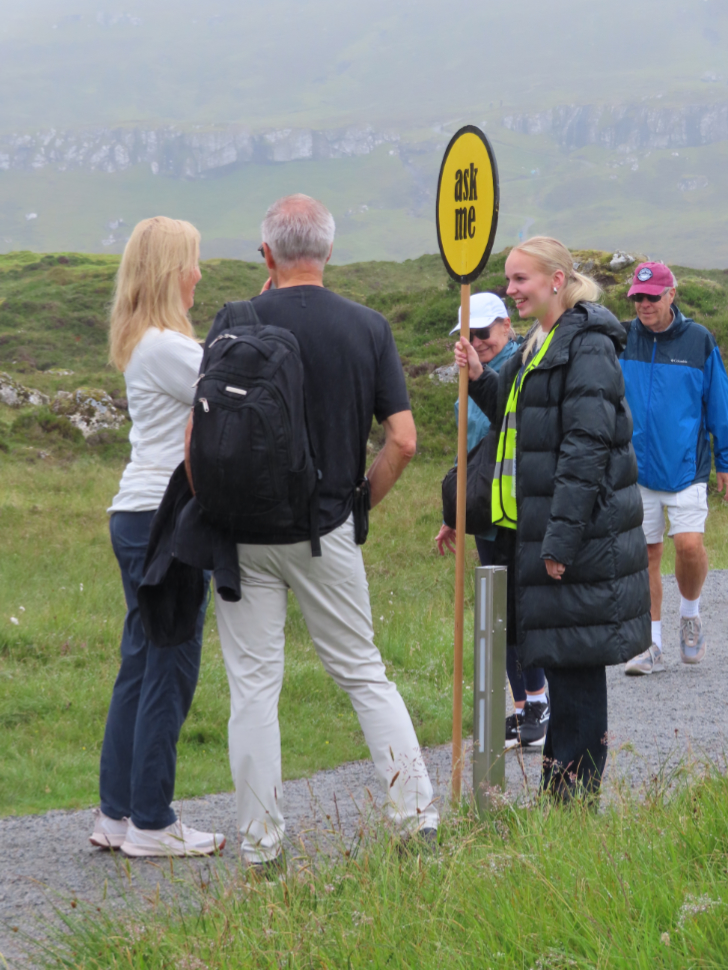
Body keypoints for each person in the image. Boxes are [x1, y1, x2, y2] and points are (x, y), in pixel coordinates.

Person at [199, 194, 438, 871]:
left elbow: (201, 435)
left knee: (253, 690)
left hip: (241, 535)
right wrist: (359, 503)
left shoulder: (235, 321)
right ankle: (414, 817)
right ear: (330, 252)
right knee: (364, 674)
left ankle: (261, 845)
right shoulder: (367, 326)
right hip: (325, 529)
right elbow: (405, 440)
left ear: (266, 254)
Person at [455, 236, 650, 800]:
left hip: (575, 536)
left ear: (557, 281)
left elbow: (585, 449)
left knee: (577, 666)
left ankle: (573, 803)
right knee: (561, 660)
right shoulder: (541, 341)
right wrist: (481, 376)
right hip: (538, 530)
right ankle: (561, 797)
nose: (509, 290)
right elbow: (524, 419)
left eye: (520, 280)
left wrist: (561, 541)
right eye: (509, 280)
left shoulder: (586, 345)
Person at [90, 216, 224, 857]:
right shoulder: (170, 348)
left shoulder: (145, 341)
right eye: (192, 262)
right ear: (174, 272)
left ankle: (116, 813)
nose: (199, 274)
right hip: (166, 518)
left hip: (136, 514)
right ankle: (151, 820)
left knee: (140, 662)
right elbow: (235, 390)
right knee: (170, 664)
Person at [435, 293, 549, 750]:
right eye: (467, 335)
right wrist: (454, 514)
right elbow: (473, 450)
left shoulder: (517, 369)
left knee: (516, 613)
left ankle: (537, 703)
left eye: (483, 333)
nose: (476, 342)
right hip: (485, 510)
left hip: (513, 510)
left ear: (506, 325)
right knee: (497, 613)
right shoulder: (472, 375)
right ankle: (522, 710)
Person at [620, 263, 728, 674]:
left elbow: (718, 403)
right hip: (637, 470)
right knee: (646, 555)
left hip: (686, 468)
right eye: (637, 298)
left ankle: (691, 613)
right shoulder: (623, 338)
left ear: (671, 295)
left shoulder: (698, 340)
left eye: (652, 297)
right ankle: (652, 645)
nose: (643, 305)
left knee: (688, 546)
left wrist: (726, 459)